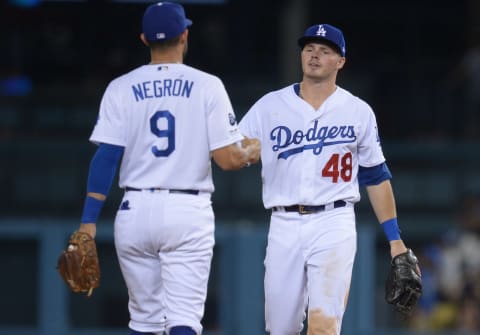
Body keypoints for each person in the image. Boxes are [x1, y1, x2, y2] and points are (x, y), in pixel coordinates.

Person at [73, 2, 260, 335]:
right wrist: (257, 149)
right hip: (186, 210)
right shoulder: (207, 85)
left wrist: (88, 222)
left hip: (135, 210)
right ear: (185, 35)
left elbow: (106, 157)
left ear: (144, 39)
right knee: (184, 318)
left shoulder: (121, 87)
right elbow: (228, 160)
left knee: (145, 321)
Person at [238, 24, 420, 334]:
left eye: (325, 50)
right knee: (281, 329)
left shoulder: (358, 111)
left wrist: (395, 240)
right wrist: (242, 151)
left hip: (333, 222)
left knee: (323, 326)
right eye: (309, 49)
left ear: (340, 61)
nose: (314, 55)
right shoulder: (269, 106)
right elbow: (233, 151)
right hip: (284, 223)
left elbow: (376, 177)